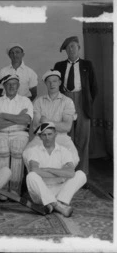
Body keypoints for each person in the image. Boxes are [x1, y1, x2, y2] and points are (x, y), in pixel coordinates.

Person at [54, 36, 98, 176]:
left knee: (83, 138)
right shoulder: (59, 66)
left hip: (82, 102)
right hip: (65, 101)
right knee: (65, 137)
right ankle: (67, 173)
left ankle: (81, 174)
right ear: (65, 51)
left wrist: (86, 103)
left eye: (73, 46)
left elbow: (94, 88)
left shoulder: (87, 65)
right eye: (67, 48)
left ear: (79, 48)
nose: (70, 49)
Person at [23, 122, 87, 217]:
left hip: (60, 189)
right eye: (44, 135)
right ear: (40, 137)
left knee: (81, 174)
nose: (47, 137)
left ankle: (53, 204)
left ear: (55, 134)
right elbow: (35, 170)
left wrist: (48, 169)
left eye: (50, 134)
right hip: (41, 191)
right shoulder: (34, 150)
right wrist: (61, 174)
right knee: (31, 176)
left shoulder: (64, 151)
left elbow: (71, 173)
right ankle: (59, 206)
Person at [23, 70, 79, 168]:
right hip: (42, 137)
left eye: (55, 81)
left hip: (61, 137)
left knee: (74, 157)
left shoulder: (67, 101)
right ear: (45, 83)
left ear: (60, 83)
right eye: (49, 82)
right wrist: (57, 124)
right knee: (27, 153)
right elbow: (36, 127)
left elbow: (67, 127)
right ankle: (38, 179)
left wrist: (47, 121)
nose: (52, 84)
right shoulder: (39, 102)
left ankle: (61, 181)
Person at [0, 73, 33, 197]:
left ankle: (15, 189)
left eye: (14, 84)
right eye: (8, 84)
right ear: (4, 85)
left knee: (17, 150)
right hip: (1, 133)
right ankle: (3, 189)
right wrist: (18, 117)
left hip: (20, 133)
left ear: (18, 85)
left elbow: (26, 121)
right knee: (2, 150)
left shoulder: (25, 100)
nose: (11, 86)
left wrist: (4, 115)